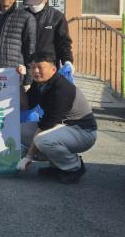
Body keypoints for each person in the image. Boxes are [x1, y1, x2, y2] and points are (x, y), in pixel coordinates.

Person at [17, 52, 97, 184]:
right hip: (62, 128)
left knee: (42, 140)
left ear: (53, 69)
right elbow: (27, 105)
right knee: (18, 131)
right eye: (32, 67)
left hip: (83, 132)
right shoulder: (40, 84)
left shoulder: (61, 89)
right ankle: (57, 166)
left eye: (40, 67)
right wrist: (17, 81)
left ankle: (74, 167)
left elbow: (46, 126)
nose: (35, 71)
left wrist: (28, 156)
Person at [24, 0, 73, 69]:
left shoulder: (57, 17)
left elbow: (64, 42)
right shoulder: (22, 15)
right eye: (31, 2)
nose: (33, 6)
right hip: (26, 66)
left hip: (48, 66)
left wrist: (67, 61)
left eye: (36, 2)